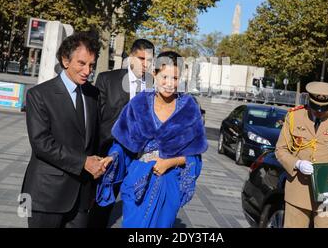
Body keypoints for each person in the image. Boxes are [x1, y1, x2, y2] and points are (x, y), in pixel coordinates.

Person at [95, 51, 208, 227]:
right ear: (154, 74)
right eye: (165, 77)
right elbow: (122, 146)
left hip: (169, 184)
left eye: (175, 78)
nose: (170, 83)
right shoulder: (138, 104)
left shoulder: (189, 108)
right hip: (137, 183)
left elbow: (195, 158)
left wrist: (169, 163)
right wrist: (113, 157)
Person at [20, 33, 105, 228]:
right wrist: (84, 162)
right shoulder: (39, 95)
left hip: (82, 196)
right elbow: (41, 143)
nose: (87, 71)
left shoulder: (93, 94)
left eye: (91, 65)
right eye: (82, 63)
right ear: (65, 60)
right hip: (46, 195)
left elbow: (95, 139)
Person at [275, 81, 328, 228]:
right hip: (297, 193)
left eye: (324, 108)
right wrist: (297, 163)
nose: (319, 112)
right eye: (315, 107)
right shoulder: (294, 116)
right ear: (309, 100)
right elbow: (280, 149)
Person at [89, 39, 155, 228]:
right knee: (102, 204)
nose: (146, 64)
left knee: (136, 205)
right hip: (109, 152)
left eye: (150, 60)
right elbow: (96, 119)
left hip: (139, 158)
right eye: (141, 58)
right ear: (130, 57)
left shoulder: (153, 85)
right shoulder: (107, 79)